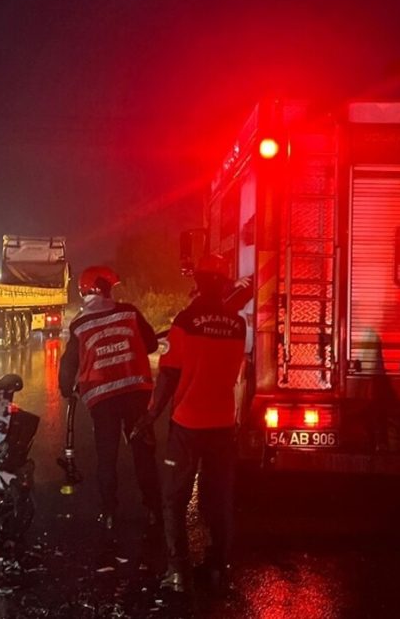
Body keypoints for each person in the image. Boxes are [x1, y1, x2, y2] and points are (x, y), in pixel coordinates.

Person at [131, 254, 246, 593]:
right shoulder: (237, 324)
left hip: (188, 424)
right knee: (218, 498)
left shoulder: (185, 321)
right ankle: (219, 566)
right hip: (223, 423)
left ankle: (178, 572)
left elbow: (168, 375)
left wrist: (150, 415)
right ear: (224, 284)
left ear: (197, 282)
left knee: (174, 498)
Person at [59, 265, 162, 530]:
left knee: (106, 455)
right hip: (136, 395)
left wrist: (66, 389)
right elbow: (150, 343)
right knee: (143, 454)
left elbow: (69, 362)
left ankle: (109, 512)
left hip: (102, 400)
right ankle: (153, 509)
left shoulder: (80, 324)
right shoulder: (129, 312)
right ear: (103, 288)